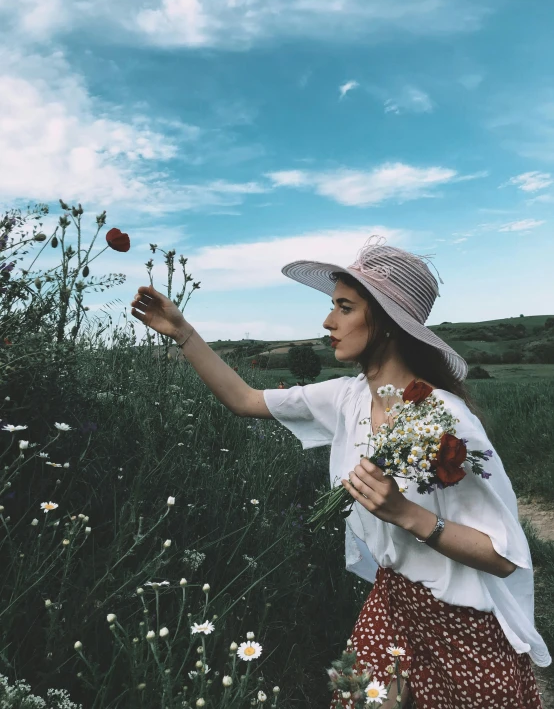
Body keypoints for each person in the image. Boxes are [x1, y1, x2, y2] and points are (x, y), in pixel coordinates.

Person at [130, 234, 551, 709]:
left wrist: (406, 514)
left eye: (345, 308)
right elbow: (245, 400)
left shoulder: (445, 420)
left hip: (462, 624)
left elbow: (504, 555)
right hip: (393, 601)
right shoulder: (346, 397)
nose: (328, 321)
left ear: (387, 322)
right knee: (353, 701)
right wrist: (183, 332)